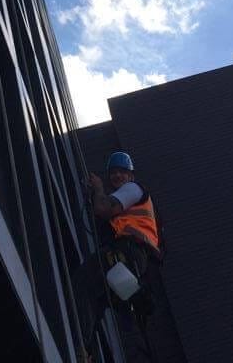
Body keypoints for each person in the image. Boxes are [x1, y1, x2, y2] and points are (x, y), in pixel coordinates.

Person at [74, 151, 162, 362]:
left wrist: (98, 189)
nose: (117, 176)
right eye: (113, 173)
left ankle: (82, 348)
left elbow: (103, 209)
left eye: (122, 172)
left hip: (127, 253)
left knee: (84, 280)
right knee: (107, 303)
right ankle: (88, 352)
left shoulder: (133, 189)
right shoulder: (125, 200)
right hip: (130, 259)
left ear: (131, 176)